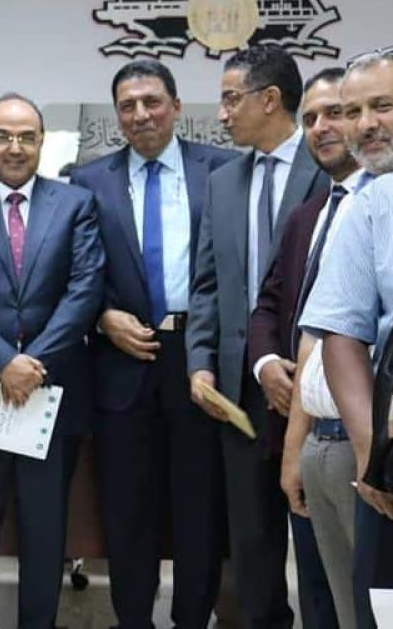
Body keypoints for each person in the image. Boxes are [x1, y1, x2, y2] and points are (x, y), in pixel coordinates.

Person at [70, 59, 238, 629]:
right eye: (128, 105)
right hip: (121, 361)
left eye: (151, 101)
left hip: (199, 360)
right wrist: (101, 317)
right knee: (127, 511)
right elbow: (76, 270)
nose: (140, 114)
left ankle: (193, 619)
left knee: (199, 508)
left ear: (175, 105)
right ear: (117, 115)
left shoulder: (222, 171)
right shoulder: (89, 181)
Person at [0, 93, 103, 629]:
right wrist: (4, 363)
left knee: (45, 532)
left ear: (42, 142)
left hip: (51, 395)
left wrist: (33, 364)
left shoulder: (75, 205)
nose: (15, 147)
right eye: (3, 136)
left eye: (27, 136)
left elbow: (85, 291)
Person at [187, 44, 331, 629]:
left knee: (319, 540)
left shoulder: (327, 168)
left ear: (269, 99)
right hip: (241, 390)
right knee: (252, 546)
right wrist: (200, 361)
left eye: (231, 99)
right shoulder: (223, 182)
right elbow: (206, 285)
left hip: (313, 388)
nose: (222, 114)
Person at [298, 45, 393, 624]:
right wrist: (374, 456)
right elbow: (340, 334)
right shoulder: (373, 202)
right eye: (353, 111)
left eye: (383, 106)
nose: (365, 125)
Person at [248, 67, 364, 629]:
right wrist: (268, 363)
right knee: (321, 600)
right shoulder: (307, 217)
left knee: (372, 602)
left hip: (367, 444)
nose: (320, 127)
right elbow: (274, 308)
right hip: (313, 436)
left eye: (335, 113)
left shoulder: (388, 207)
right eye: (311, 117)